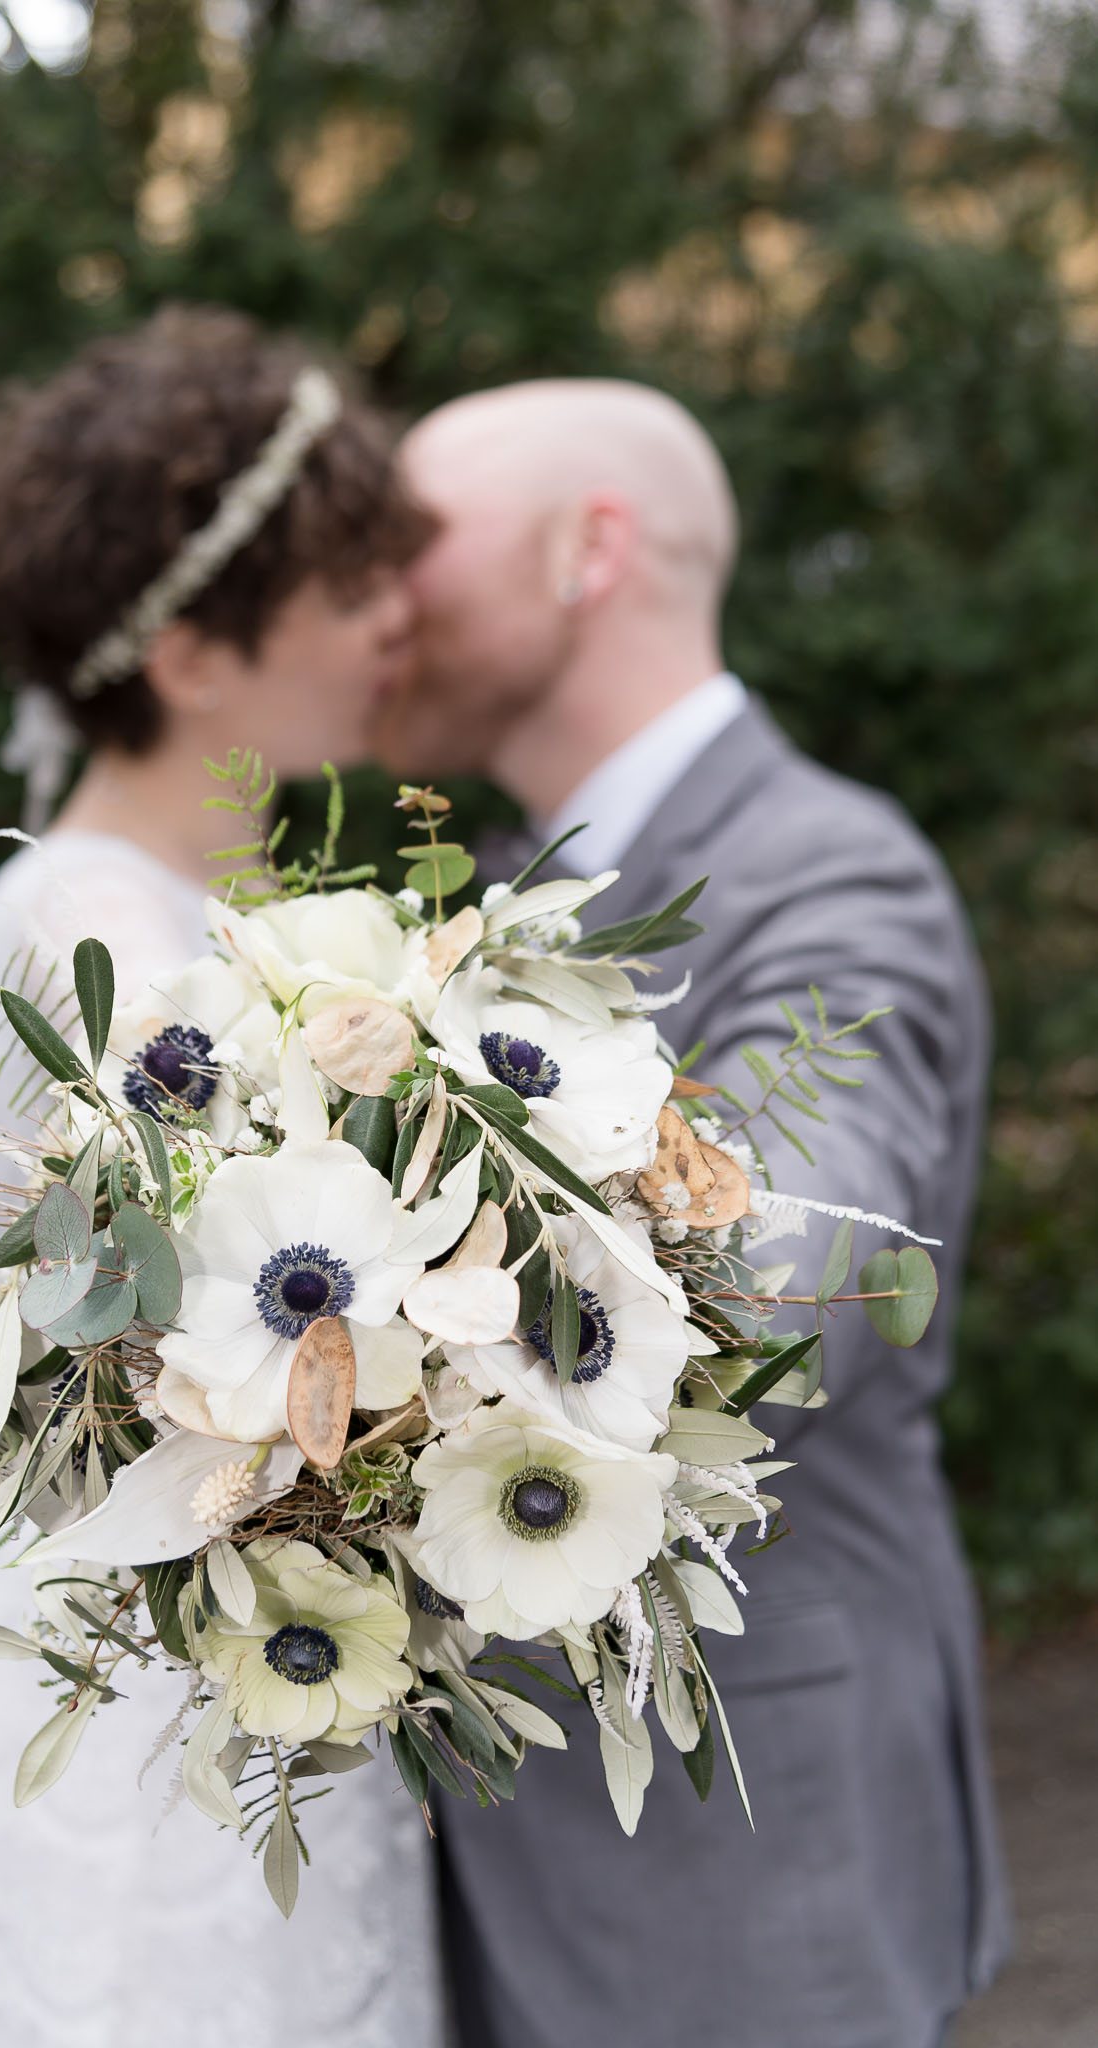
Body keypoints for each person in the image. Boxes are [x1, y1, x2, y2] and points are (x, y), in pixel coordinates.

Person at [378, 378, 1012, 2048]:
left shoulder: (829, 876)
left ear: (589, 553)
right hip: (481, 1839)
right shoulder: (489, 883)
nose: (377, 598)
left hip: (736, 1846)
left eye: (412, 546)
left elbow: (798, 1297)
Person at [0, 305, 444, 2048]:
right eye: (351, 585)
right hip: (144, 1702)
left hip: (266, 1672)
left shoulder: (206, 918)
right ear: (195, 658)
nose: (400, 620)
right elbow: (198, 1355)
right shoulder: (74, 932)